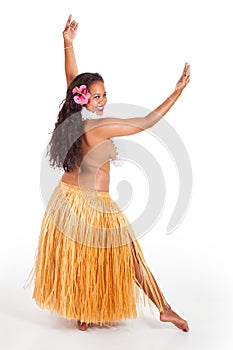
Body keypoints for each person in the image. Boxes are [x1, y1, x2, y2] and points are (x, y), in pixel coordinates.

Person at [31, 15, 190, 332]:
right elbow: (143, 123)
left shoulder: (75, 117)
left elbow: (72, 77)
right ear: (85, 98)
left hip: (67, 200)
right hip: (93, 206)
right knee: (130, 257)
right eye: (98, 95)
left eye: (105, 94)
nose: (103, 100)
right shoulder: (99, 126)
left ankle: (84, 311)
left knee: (84, 254)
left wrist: (68, 43)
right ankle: (164, 308)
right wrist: (177, 92)